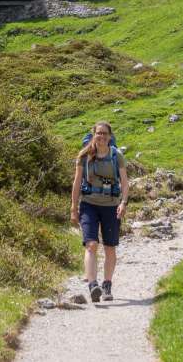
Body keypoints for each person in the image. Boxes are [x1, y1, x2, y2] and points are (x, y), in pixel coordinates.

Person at [70, 121, 128, 303]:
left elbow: (125, 182)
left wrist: (123, 203)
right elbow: (77, 182)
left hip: (111, 205)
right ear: (93, 135)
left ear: (109, 137)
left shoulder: (116, 156)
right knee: (91, 244)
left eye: (105, 134)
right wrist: (73, 207)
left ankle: (107, 284)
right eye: (98, 133)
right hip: (89, 204)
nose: (101, 137)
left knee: (110, 247)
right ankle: (93, 285)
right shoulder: (84, 156)